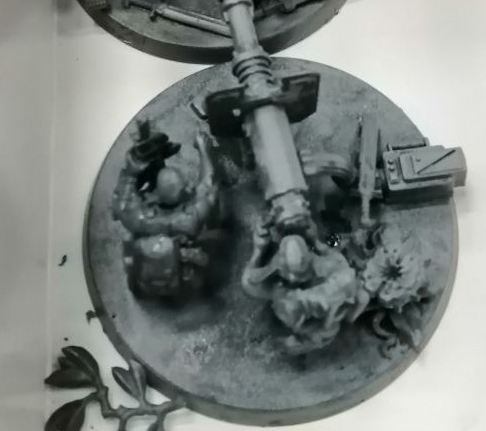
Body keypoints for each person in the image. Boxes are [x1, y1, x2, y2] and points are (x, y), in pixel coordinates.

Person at [114, 127, 222, 299]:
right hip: (176, 275)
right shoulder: (190, 218)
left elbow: (122, 205)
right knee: (204, 261)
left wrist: (131, 171)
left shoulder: (139, 218)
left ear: (155, 194)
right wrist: (203, 148)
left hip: (144, 277)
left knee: (129, 240)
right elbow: (209, 185)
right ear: (185, 191)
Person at [242, 223, 367, 355]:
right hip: (298, 310)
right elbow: (250, 282)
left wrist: (318, 243)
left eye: (298, 274)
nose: (293, 278)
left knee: (359, 299)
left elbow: (345, 276)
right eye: (290, 274)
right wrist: (259, 249)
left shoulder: (322, 265)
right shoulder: (277, 279)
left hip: (320, 321)